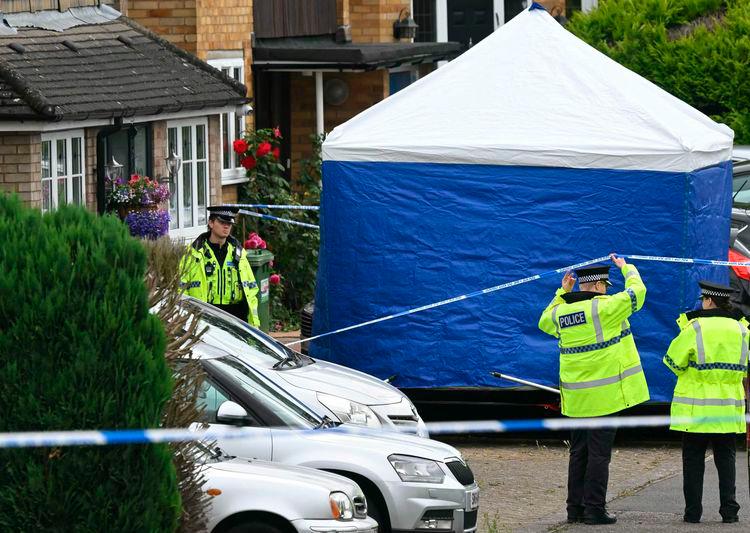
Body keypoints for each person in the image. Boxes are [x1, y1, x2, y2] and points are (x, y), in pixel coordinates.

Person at [538, 253, 650, 525]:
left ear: (580, 286)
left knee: (579, 453)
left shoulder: (561, 312)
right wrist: (627, 268)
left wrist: (561, 292)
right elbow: (638, 291)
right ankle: (594, 510)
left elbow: (543, 321)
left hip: (577, 398)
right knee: (599, 455)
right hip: (605, 397)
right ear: (599, 286)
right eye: (605, 286)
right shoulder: (606, 307)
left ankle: (574, 509)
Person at [663, 281, 748, 524]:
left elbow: (672, 362)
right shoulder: (742, 330)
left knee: (693, 461)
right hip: (728, 409)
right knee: (727, 460)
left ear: (709, 301)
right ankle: (730, 512)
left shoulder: (695, 328)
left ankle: (692, 513)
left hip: (696, 409)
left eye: (703, 299)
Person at [179, 206, 260, 327]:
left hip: (236, 317)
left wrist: (254, 323)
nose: (226, 226)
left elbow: (251, 290)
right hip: (205, 315)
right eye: (222, 222)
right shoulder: (193, 254)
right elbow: (180, 289)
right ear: (211, 223)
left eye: (229, 223)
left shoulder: (239, 255)